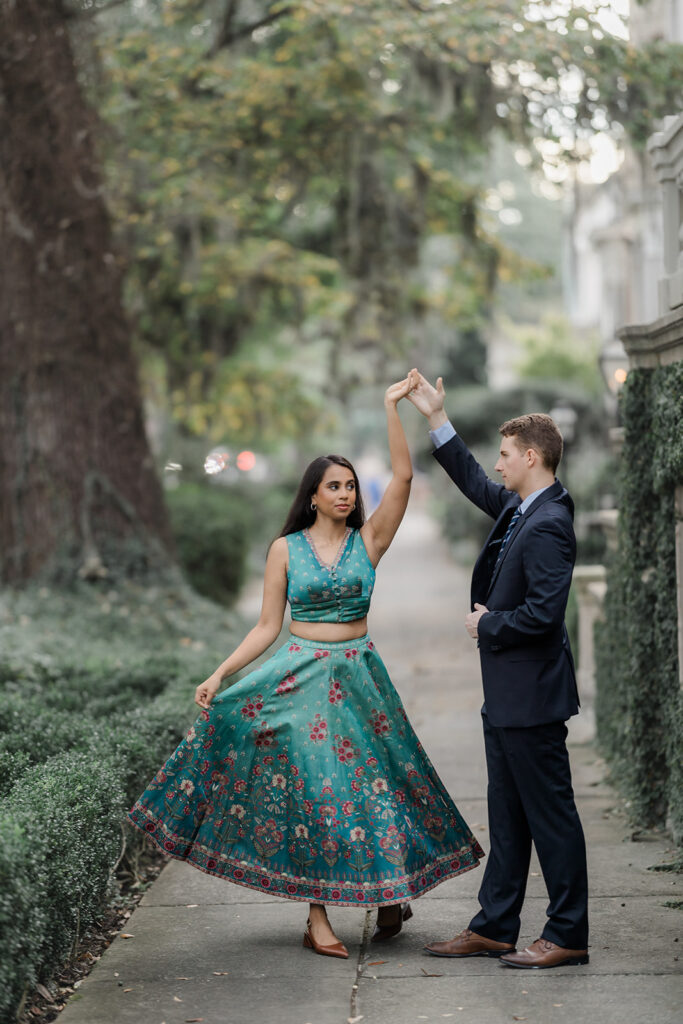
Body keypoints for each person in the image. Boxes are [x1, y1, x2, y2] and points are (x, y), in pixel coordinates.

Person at [128, 373, 484, 960]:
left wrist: (392, 406)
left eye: (349, 485)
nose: (345, 494)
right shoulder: (284, 549)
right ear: (313, 495)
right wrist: (222, 675)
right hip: (297, 680)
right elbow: (267, 627)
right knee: (318, 794)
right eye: (333, 486)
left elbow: (401, 477)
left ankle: (390, 890)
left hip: (359, 679)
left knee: (377, 789)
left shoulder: (369, 541)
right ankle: (317, 916)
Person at [406, 371, 589, 970]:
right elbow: (475, 482)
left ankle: (567, 934)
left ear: (531, 457)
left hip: (533, 697)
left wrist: (487, 625)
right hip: (505, 696)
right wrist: (437, 418)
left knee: (551, 819)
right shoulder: (521, 505)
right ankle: (494, 927)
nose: (499, 464)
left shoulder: (550, 523)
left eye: (506, 454)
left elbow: (542, 616)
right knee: (508, 818)